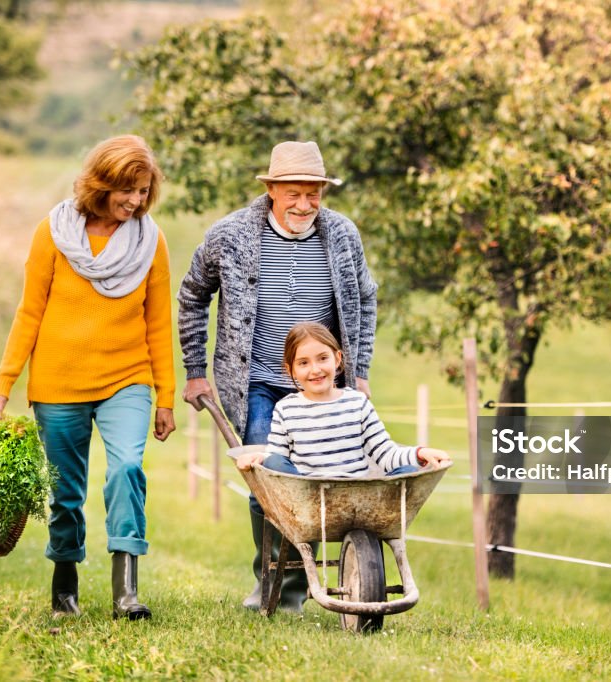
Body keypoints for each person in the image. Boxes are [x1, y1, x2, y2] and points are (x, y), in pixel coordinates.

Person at [0, 134, 175, 621]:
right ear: (101, 183)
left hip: (127, 378)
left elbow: (157, 323)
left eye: (144, 191)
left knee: (128, 467)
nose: (136, 201)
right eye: (127, 190)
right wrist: (2, 386)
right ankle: (64, 582)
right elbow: (29, 313)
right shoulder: (54, 232)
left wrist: (165, 396)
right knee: (65, 491)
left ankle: (126, 590)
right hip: (59, 382)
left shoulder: (151, 241)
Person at [177, 140, 377, 613]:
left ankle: (304, 582)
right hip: (256, 382)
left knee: (326, 475)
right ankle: (274, 585)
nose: (304, 205)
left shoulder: (343, 235)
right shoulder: (230, 234)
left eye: (314, 195)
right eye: (294, 194)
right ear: (271, 189)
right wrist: (194, 369)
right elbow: (192, 296)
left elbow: (366, 299)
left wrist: (360, 369)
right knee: (266, 476)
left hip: (321, 383)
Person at [235, 323, 451, 476]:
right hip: (306, 497)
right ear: (290, 369)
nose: (315, 369)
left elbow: (386, 454)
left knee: (407, 474)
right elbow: (277, 458)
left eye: (322, 358)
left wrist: (420, 453)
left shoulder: (357, 404)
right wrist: (260, 458)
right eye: (303, 363)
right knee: (273, 461)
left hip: (357, 495)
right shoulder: (286, 409)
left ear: (337, 359)